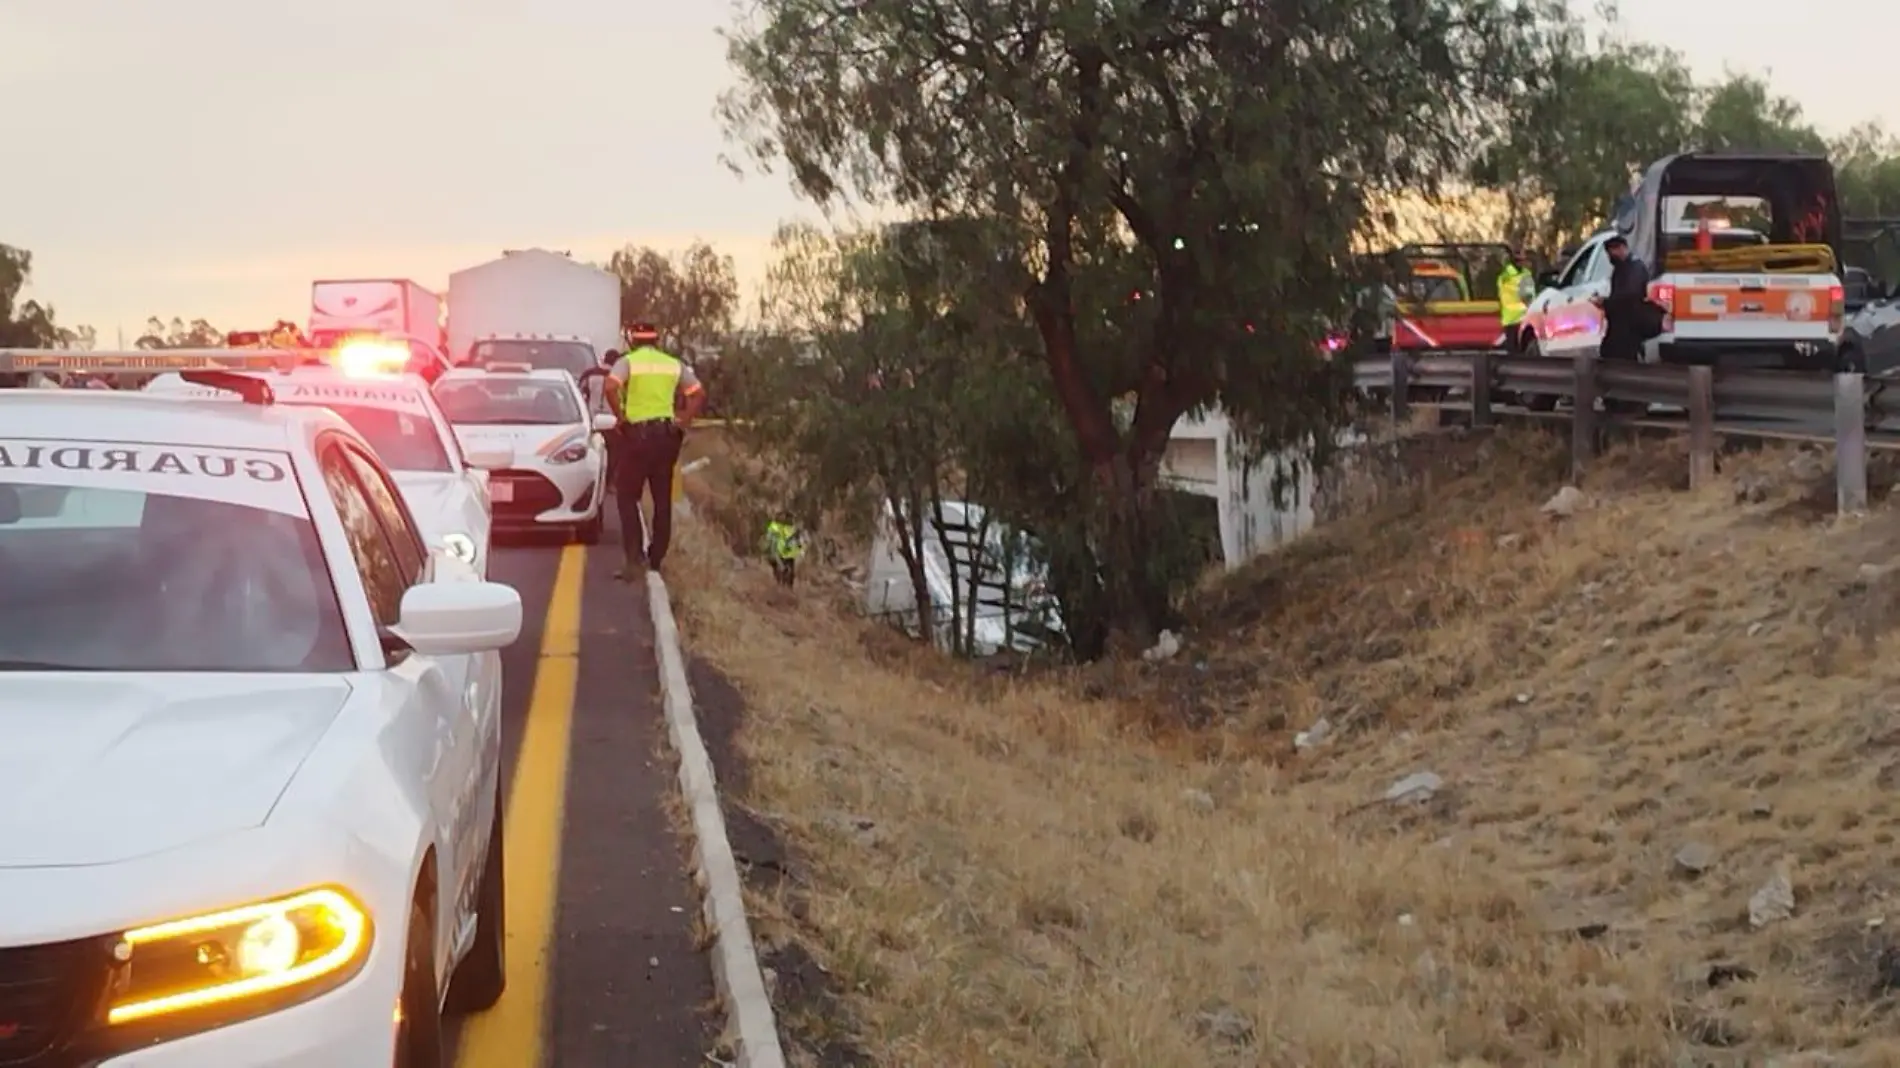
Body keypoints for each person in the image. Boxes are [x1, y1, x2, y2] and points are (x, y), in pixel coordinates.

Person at [603, 323, 705, 580]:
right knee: (662, 500)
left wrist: (621, 416)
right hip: (666, 438)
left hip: (637, 437)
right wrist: (683, 420)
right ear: (657, 341)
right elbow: (697, 393)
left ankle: (634, 560)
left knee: (627, 497)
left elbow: (610, 387)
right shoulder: (673, 363)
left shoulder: (628, 362)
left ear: (633, 341)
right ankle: (656, 559)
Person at [1495, 247, 1532, 348]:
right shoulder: (1505, 277)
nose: (1522, 263)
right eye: (1519, 260)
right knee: (1516, 354)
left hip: (1522, 319)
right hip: (1513, 320)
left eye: (1523, 260)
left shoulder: (1525, 274)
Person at [763, 519, 804, 588]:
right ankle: (782, 585)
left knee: (787, 570)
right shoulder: (776, 528)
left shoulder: (788, 529)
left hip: (785, 553)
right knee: (782, 570)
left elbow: (796, 540)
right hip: (780, 552)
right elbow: (769, 540)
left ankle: (785, 586)